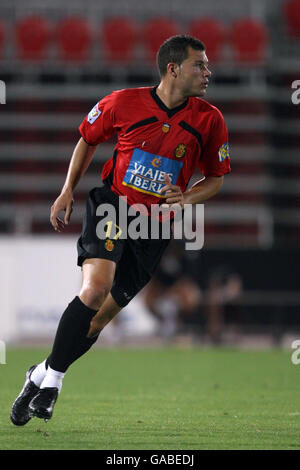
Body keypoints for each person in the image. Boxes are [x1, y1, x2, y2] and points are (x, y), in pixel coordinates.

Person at [10, 34, 231, 425]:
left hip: (155, 227)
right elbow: (86, 139)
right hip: (113, 205)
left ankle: (39, 373)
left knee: (98, 320)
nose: (208, 72)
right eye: (201, 65)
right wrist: (66, 192)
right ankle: (54, 382)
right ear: (173, 68)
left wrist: (187, 198)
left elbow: (215, 178)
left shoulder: (209, 119)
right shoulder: (123, 102)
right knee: (94, 290)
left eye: (207, 65)